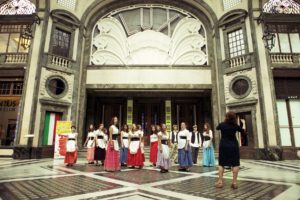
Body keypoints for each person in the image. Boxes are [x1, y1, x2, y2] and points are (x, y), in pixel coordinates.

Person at [215, 112, 244, 189]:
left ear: (226, 117)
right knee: (235, 163)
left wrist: (223, 122)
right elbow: (242, 131)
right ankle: (234, 182)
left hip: (224, 145)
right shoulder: (235, 125)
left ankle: (220, 182)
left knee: (221, 163)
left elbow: (217, 128)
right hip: (234, 145)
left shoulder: (222, 125)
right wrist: (243, 124)